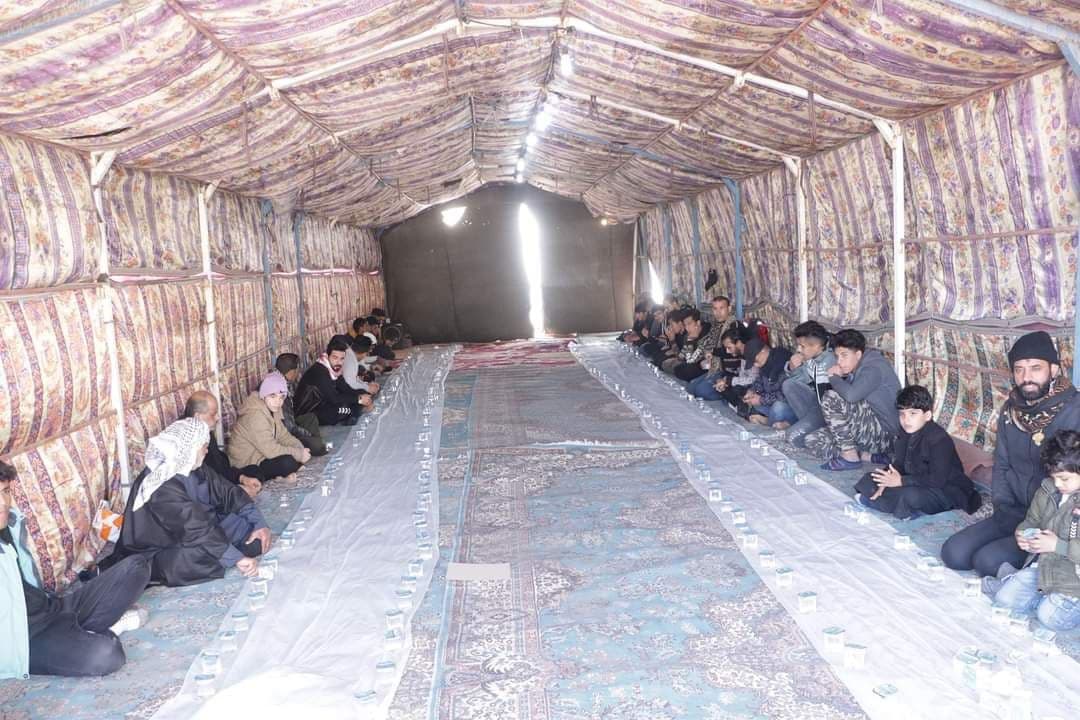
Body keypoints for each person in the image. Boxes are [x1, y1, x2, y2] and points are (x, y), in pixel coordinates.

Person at [942, 331, 1080, 577]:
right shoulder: (1011, 411)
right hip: (1013, 511)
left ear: (1054, 369)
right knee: (953, 553)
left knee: (987, 562)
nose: (1026, 378)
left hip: (1054, 521)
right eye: (1019, 369)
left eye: (1035, 368)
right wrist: (1003, 506)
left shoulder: (1074, 409)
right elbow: (1002, 464)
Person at [1, 461, 150, 678]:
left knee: (137, 566)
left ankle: (83, 632)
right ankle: (101, 631)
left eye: (5, 492)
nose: (3, 503)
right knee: (107, 655)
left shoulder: (10, 524)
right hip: (26, 640)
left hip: (52, 608)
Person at [106, 418, 265, 587]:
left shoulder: (193, 466)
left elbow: (229, 493)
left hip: (195, 532)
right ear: (191, 447)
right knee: (189, 560)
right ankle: (227, 554)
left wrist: (259, 524)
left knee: (245, 526)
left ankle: (226, 552)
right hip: (160, 548)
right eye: (203, 446)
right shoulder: (161, 484)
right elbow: (194, 527)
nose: (206, 450)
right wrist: (236, 558)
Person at [986, 429, 1080, 631]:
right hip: (1044, 568)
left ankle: (1040, 597)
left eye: (1064, 478)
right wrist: (1024, 533)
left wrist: (1057, 546)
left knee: (1049, 618)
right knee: (1005, 600)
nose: (1058, 484)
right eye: (1054, 477)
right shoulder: (1048, 489)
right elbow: (1032, 520)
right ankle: (1033, 590)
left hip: (1074, 582)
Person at [853, 385, 981, 520]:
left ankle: (889, 504)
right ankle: (902, 505)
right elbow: (899, 464)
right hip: (915, 480)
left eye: (912, 414)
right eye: (902, 414)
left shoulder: (939, 440)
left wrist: (901, 481)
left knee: (910, 495)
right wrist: (885, 480)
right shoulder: (905, 432)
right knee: (870, 479)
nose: (906, 420)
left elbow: (937, 480)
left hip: (945, 490)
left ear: (927, 415)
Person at [805, 329, 901, 471]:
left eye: (844, 355)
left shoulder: (873, 367)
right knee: (812, 440)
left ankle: (850, 457)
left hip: (885, 435)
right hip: (868, 428)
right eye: (837, 356)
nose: (839, 362)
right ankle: (867, 456)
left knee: (831, 397)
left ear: (858, 354)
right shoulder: (859, 365)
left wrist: (833, 377)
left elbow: (851, 396)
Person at [227, 372, 311, 485]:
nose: (278, 402)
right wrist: (299, 454)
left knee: (304, 448)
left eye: (281, 397)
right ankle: (282, 475)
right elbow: (271, 450)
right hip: (245, 464)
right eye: (273, 396)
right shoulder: (255, 415)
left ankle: (282, 475)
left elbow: (283, 436)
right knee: (287, 462)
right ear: (264, 395)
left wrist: (299, 448)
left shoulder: (272, 408)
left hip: (261, 455)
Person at [184, 391, 263, 498]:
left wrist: (242, 478)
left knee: (255, 471)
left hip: (220, 483)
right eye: (213, 414)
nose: (218, 418)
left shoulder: (204, 431)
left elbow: (219, 467)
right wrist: (237, 490)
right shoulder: (186, 441)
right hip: (206, 495)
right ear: (197, 416)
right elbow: (205, 485)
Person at [295, 335, 372, 426]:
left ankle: (354, 412)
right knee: (337, 410)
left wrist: (362, 395)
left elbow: (345, 387)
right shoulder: (320, 372)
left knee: (359, 393)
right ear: (328, 356)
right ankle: (355, 412)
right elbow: (334, 398)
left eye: (342, 359)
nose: (338, 362)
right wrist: (359, 400)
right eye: (335, 358)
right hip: (309, 412)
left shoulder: (335, 369)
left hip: (325, 403)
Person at [782, 321, 836, 447]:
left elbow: (806, 379)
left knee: (792, 437)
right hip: (812, 408)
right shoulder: (810, 358)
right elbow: (796, 381)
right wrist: (791, 368)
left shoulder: (829, 359)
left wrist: (796, 367)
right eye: (798, 345)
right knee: (788, 385)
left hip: (825, 410)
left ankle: (817, 429)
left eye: (802, 346)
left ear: (817, 346)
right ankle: (808, 426)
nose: (798, 350)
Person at [275, 353, 328, 456]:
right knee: (316, 445)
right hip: (282, 433)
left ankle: (318, 443)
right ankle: (317, 444)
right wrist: (307, 434)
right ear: (292, 372)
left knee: (310, 418)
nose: (298, 372)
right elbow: (290, 428)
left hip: (289, 422)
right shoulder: (280, 390)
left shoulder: (281, 380)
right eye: (297, 369)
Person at [741, 338, 797, 428]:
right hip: (773, 403)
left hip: (791, 407)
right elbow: (760, 381)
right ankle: (773, 421)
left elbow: (784, 396)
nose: (755, 365)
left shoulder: (783, 362)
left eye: (755, 361)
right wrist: (752, 391)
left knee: (778, 408)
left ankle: (767, 422)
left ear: (763, 351)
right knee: (754, 403)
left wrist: (761, 400)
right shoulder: (765, 364)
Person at [672, 309, 711, 381]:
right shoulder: (687, 336)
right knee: (677, 369)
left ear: (698, 323)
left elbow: (690, 361)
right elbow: (681, 357)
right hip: (695, 364)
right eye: (685, 325)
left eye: (689, 324)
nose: (687, 328)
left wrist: (690, 341)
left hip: (707, 367)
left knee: (688, 370)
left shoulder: (708, 334)